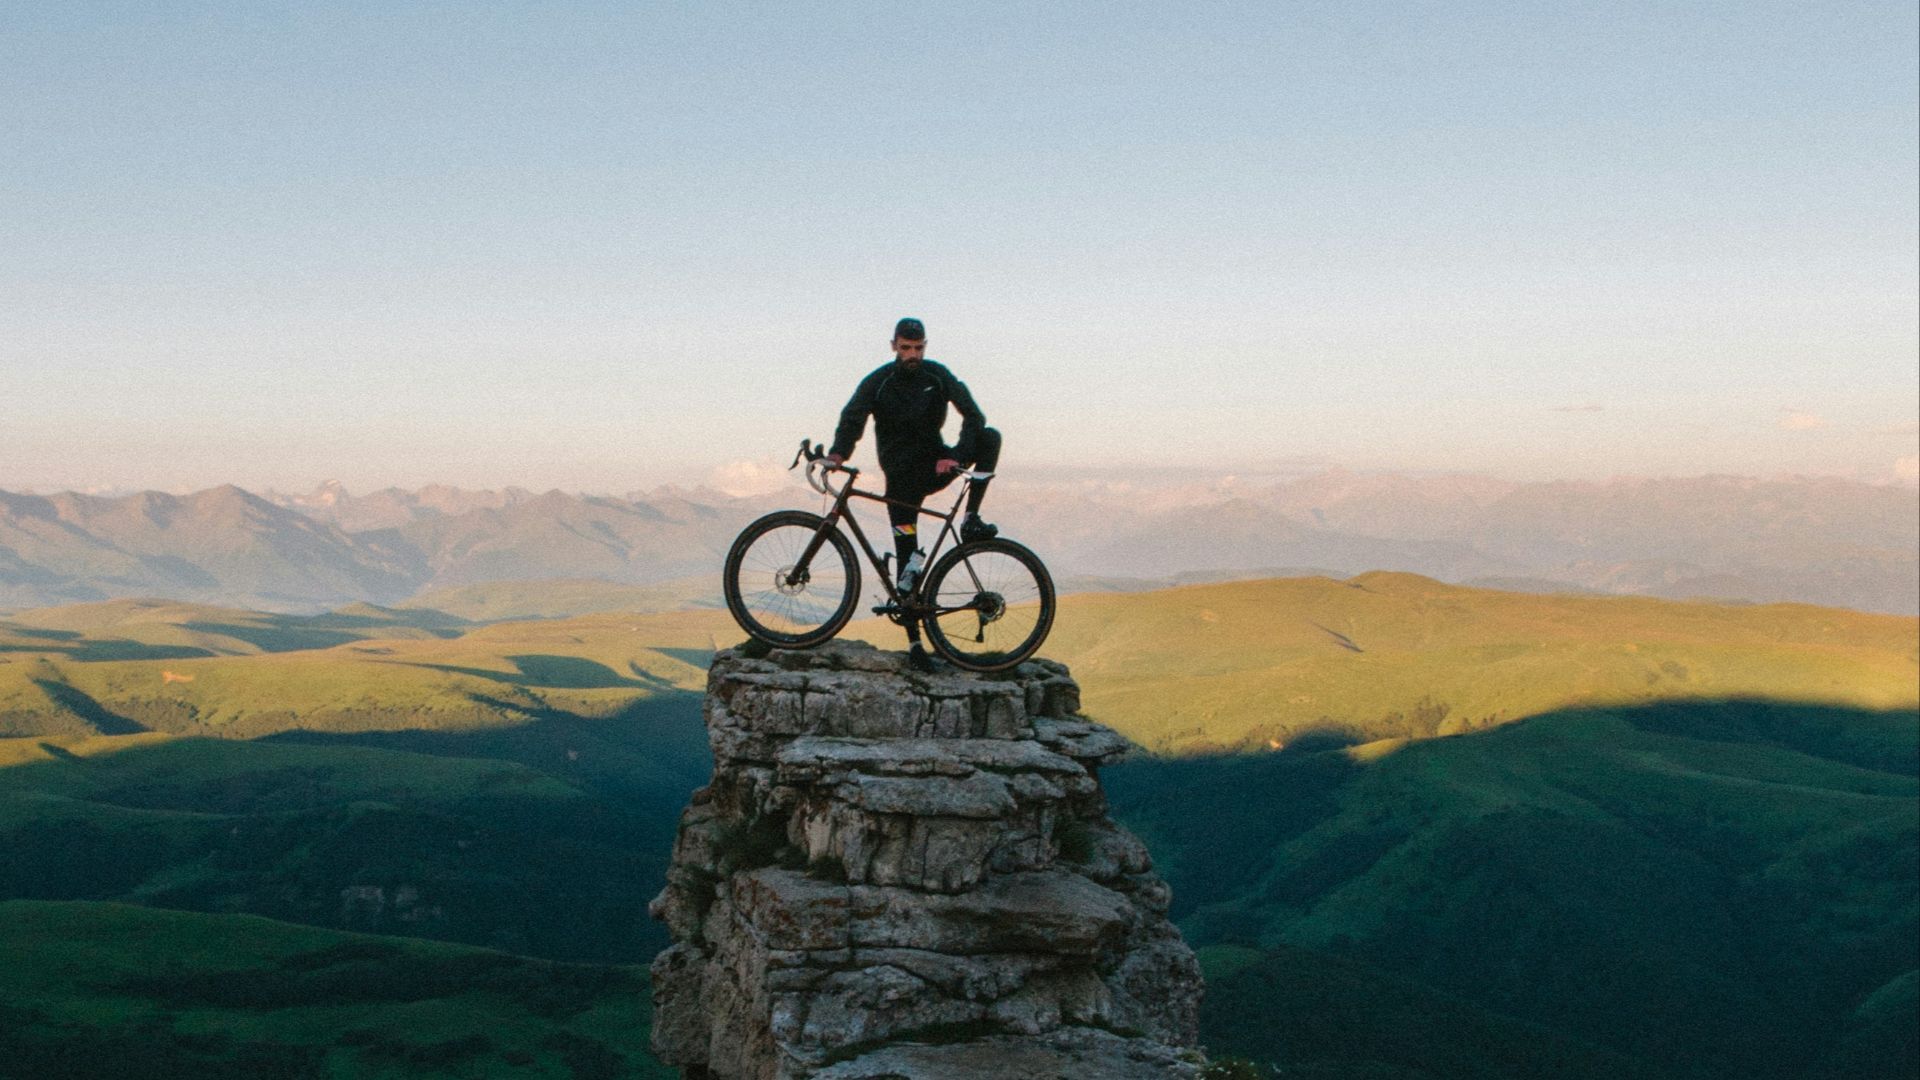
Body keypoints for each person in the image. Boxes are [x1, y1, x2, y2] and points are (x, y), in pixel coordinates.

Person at [827, 317, 1002, 670]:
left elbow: (974, 415)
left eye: (918, 348)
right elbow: (853, 416)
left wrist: (954, 455)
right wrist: (838, 454)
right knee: (907, 565)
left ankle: (970, 520)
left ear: (925, 345)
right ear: (894, 346)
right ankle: (915, 644)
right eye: (906, 348)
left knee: (990, 437)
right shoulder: (879, 381)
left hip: (936, 467)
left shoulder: (936, 375)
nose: (912, 355)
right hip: (901, 481)